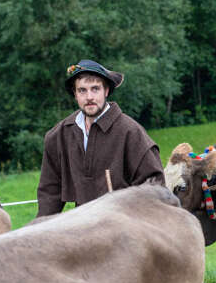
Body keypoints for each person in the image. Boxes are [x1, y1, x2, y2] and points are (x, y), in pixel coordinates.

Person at [36, 59, 165, 217]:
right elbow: (50, 191)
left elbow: (154, 185)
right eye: (82, 90)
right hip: (82, 226)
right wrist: (40, 229)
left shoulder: (130, 132)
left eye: (95, 89)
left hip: (124, 225)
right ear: (75, 94)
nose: (89, 97)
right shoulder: (59, 135)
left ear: (106, 91)